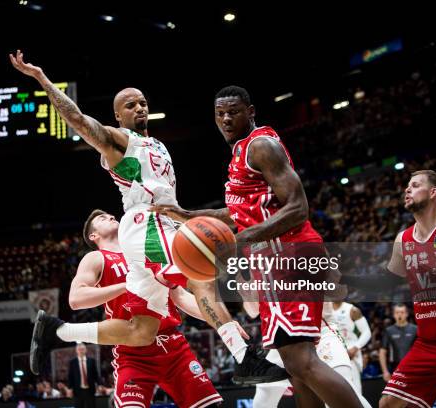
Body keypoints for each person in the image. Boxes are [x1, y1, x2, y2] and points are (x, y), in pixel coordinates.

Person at [10, 51, 285, 383]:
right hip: (146, 224)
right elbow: (79, 120)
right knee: (199, 270)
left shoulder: (155, 144)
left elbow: (184, 299)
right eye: (130, 105)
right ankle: (243, 357)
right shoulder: (120, 141)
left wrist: (223, 321)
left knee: (143, 329)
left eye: (142, 102)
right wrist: (41, 79)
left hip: (157, 226)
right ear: (117, 115)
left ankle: (58, 331)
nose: (139, 107)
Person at [153, 85, 364, 407]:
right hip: (273, 260)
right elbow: (240, 211)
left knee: (302, 359)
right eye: (219, 114)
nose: (225, 119)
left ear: (250, 112)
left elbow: (297, 207)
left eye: (233, 112)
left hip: (290, 254)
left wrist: (237, 242)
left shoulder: (261, 146)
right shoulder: (241, 151)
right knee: (294, 366)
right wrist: (189, 216)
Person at [69, 209, 223, 407]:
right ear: (94, 236)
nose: (111, 216)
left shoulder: (147, 251)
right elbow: (76, 298)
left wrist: (222, 322)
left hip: (172, 345)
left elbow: (180, 296)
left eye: (110, 215)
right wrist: (127, 284)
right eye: (102, 218)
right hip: (133, 351)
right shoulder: (97, 258)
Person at [380, 170, 436, 408]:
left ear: (433, 192)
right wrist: (343, 278)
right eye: (407, 186)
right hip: (428, 344)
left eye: (415, 185)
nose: (407, 189)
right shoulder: (402, 240)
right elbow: (385, 282)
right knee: (388, 403)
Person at [247, 302, 372, 408]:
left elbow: (337, 289)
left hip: (320, 331)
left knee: (347, 390)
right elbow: (252, 310)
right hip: (284, 338)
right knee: (265, 391)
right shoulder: (260, 274)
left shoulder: (350, 308)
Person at [331, 301, 372, 394]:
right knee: (332, 391)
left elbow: (367, 332)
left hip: (350, 351)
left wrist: (355, 348)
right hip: (331, 351)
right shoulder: (324, 308)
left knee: (354, 390)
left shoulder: (352, 310)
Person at [379, 304, 417, 382]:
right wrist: (385, 371)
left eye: (402, 312)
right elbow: (382, 352)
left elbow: (423, 350)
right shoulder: (389, 331)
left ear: (406, 314)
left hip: (413, 367)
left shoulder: (415, 329)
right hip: (395, 368)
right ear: (393, 315)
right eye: (397, 312)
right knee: (395, 394)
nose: (399, 314)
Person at [68, 343, 99, 408]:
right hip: (77, 390)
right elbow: (70, 376)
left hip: (90, 389)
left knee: (92, 406)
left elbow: (95, 374)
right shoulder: (72, 362)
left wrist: (99, 384)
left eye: (82, 349)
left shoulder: (91, 361)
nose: (81, 351)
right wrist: (69, 388)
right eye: (79, 349)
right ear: (76, 351)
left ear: (86, 350)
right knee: (79, 406)